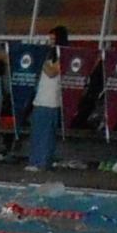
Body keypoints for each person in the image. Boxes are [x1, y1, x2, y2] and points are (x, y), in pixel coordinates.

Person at [26, 24, 69, 171]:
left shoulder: (64, 56)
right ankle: (35, 160)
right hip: (40, 99)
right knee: (37, 133)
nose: (50, 42)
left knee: (46, 135)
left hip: (51, 101)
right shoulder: (50, 55)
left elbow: (52, 73)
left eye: (52, 39)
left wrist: (40, 61)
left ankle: (42, 162)